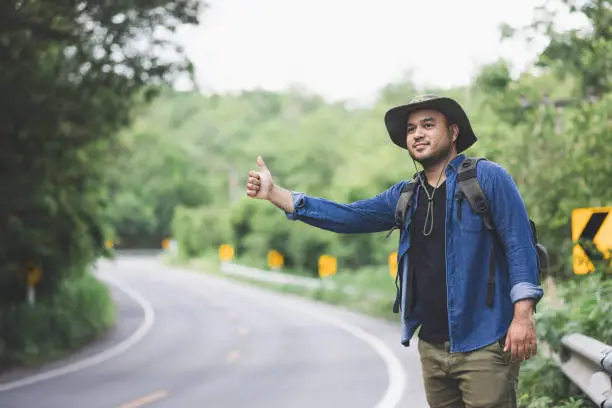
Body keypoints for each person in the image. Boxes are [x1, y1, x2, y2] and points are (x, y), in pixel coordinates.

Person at [245, 94, 544, 408]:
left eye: (428, 125)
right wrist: (275, 194)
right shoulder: (406, 195)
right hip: (431, 347)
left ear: (453, 132)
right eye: (411, 128)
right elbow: (348, 216)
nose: (417, 133)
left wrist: (522, 317)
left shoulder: (488, 178)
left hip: (484, 343)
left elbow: (519, 247)